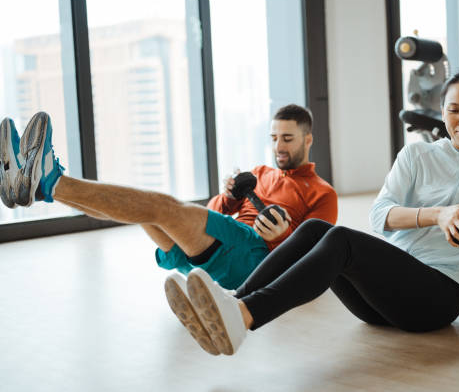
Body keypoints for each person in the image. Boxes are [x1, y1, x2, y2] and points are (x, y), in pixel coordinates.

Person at [158, 66, 459, 356]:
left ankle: (243, 316)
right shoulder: (417, 155)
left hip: (435, 300)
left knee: (342, 240)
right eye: (454, 110)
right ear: (442, 112)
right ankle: (234, 301)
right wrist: (437, 214)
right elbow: (380, 214)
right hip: (380, 297)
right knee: (317, 228)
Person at [0, 104, 337, 355]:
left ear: (308, 139)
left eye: (288, 138)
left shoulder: (322, 192)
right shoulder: (261, 172)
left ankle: (48, 181)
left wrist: (279, 237)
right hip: (222, 245)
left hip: (253, 257)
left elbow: (313, 256)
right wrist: (229, 197)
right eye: (274, 137)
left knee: (160, 206)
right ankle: (44, 187)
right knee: (143, 209)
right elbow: (212, 213)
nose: (279, 145)